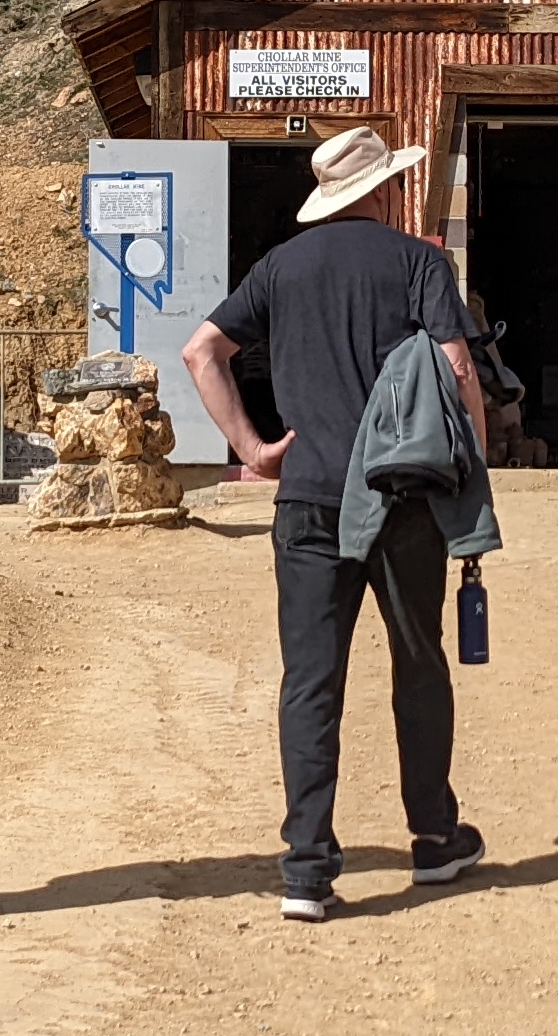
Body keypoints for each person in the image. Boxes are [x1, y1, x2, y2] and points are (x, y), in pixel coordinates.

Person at [181, 124, 492, 920]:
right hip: (403, 497)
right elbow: (457, 365)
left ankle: (306, 872)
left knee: (311, 681)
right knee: (418, 664)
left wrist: (253, 449)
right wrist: (474, 468)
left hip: (309, 497)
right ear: (383, 189)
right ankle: (434, 837)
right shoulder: (419, 262)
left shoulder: (278, 268)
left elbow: (200, 352)